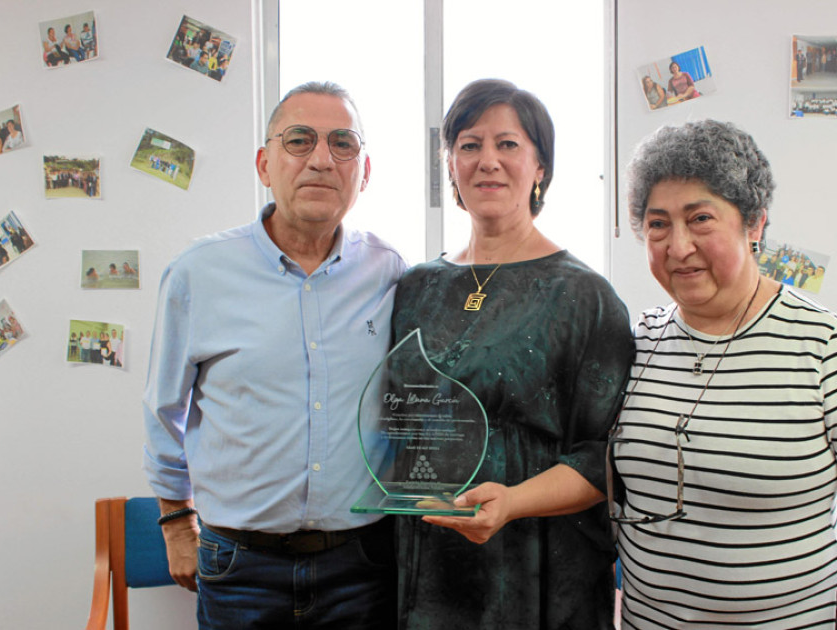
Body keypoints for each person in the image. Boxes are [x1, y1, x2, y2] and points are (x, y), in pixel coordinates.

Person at [615, 119, 837, 628]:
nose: (677, 246)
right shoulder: (636, 342)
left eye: (700, 218)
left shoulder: (826, 345)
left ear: (753, 225)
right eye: (658, 223)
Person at [143, 81, 405, 629]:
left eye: (342, 143)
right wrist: (175, 524)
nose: (321, 160)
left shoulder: (389, 272)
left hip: (362, 564)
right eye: (299, 141)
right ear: (264, 164)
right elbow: (163, 410)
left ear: (365, 170)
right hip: (239, 566)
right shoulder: (199, 273)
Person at [392, 79, 634, 629]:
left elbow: (606, 456)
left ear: (540, 167)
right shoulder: (415, 286)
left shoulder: (585, 295)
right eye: (470, 145)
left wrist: (515, 501)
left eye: (508, 145)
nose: (487, 162)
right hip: (430, 558)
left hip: (537, 562)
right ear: (450, 163)